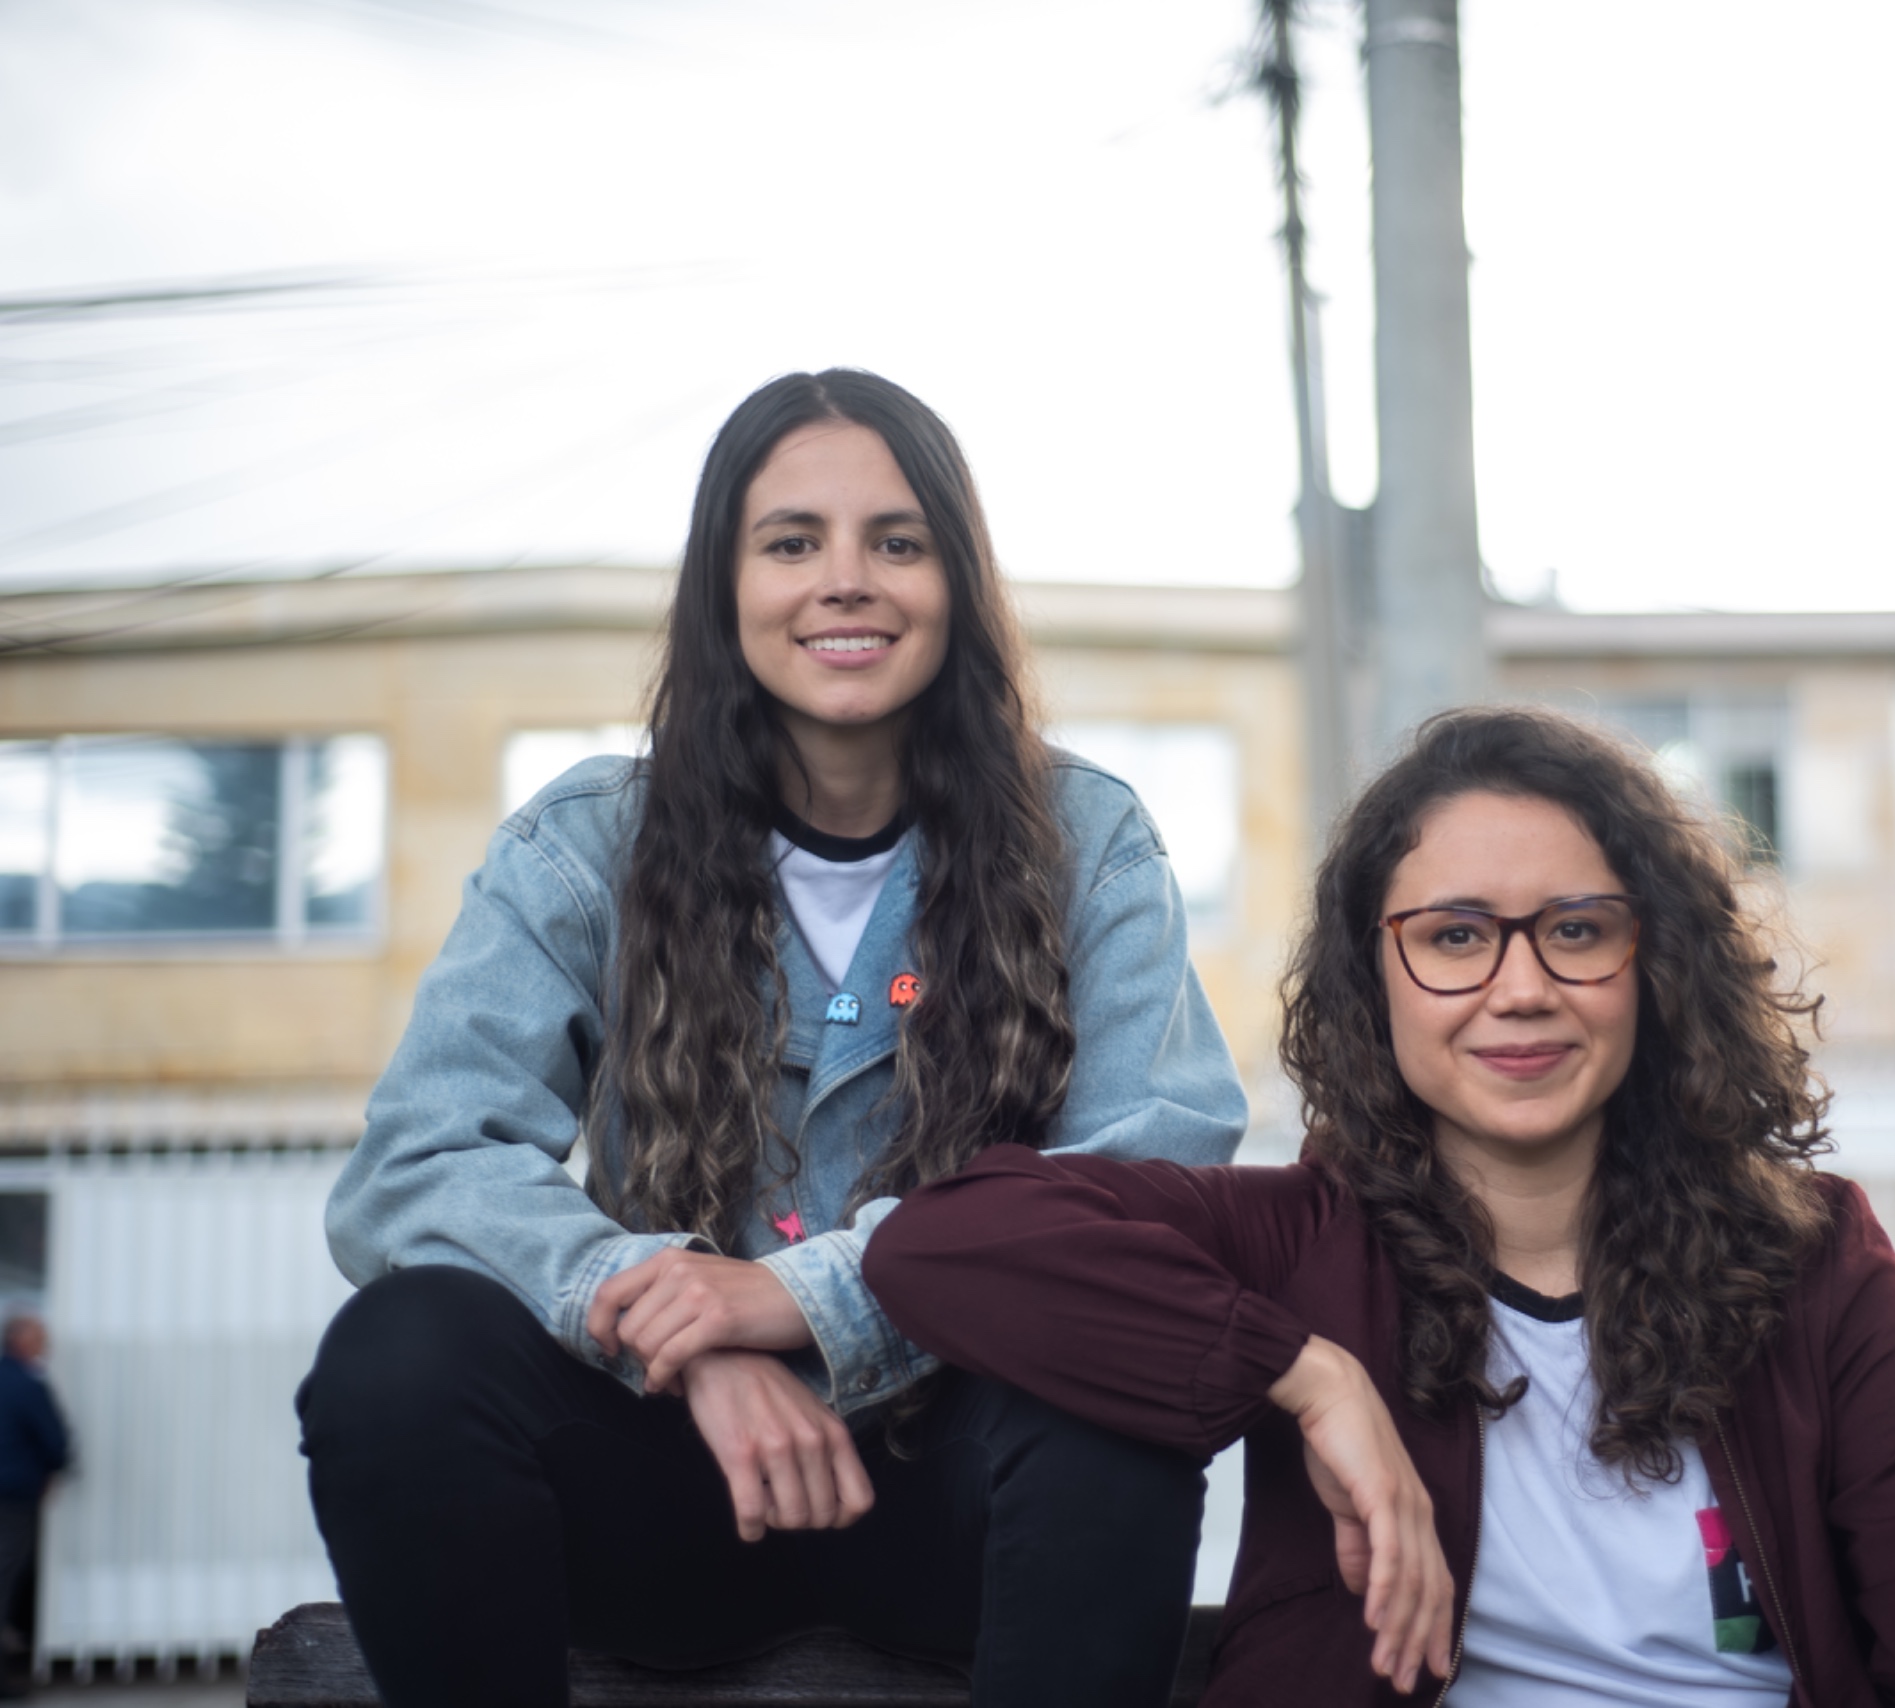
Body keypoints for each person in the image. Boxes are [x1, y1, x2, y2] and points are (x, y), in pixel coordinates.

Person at [866, 705, 1895, 1707]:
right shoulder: (1291, 1245)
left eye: (1577, 931)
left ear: (1658, 965)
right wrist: (1312, 1378)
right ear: (1378, 977)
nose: (1520, 988)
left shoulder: (1813, 1264)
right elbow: (938, 1241)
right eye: (1457, 936)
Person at [298, 369, 1248, 1708]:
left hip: (967, 1516)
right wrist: (692, 1333)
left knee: (1106, 1395)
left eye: (897, 541)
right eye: (792, 541)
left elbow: (1151, 1175)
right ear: (725, 586)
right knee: (403, 1352)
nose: (844, 580)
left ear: (957, 583)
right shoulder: (586, 848)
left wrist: (821, 1299)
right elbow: (420, 1166)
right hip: (668, 1496)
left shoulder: (1086, 844)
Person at [0, 1314, 67, 1700]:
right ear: (21, 1340)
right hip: (13, 1497)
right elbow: (54, 1441)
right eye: (41, 1337)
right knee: (7, 1578)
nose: (47, 1344)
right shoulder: (25, 1384)